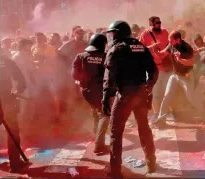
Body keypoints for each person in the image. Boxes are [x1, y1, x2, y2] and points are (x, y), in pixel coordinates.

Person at [102, 21, 158, 178]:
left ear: (118, 33)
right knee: (144, 127)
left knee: (115, 132)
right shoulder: (140, 46)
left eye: (113, 33)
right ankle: (151, 163)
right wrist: (148, 87)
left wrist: (106, 98)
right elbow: (153, 71)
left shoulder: (116, 49)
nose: (111, 36)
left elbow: (109, 77)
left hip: (124, 96)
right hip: (141, 94)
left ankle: (115, 171)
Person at [151, 30, 205, 128]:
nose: (168, 41)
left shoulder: (186, 47)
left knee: (191, 97)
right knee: (167, 95)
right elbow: (162, 54)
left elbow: (191, 62)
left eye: (170, 39)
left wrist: (180, 60)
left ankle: (202, 112)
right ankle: (161, 118)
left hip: (186, 76)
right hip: (175, 75)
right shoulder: (171, 45)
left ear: (178, 39)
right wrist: (155, 51)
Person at [72, 34, 109, 154]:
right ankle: (99, 146)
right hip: (100, 90)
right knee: (105, 115)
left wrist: (83, 82)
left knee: (96, 112)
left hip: (86, 91)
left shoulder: (81, 56)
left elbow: (74, 75)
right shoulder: (105, 56)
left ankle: (95, 135)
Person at [0, 51, 28, 172]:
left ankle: (15, 163)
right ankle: (15, 163)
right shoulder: (6, 60)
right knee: (13, 131)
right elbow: (22, 81)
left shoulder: (7, 61)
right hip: (6, 101)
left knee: (13, 131)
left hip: (6, 101)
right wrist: (17, 90)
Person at [139, 16, 172, 122]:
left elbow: (170, 45)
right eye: (157, 22)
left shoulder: (165, 32)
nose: (159, 24)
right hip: (153, 69)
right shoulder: (145, 34)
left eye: (159, 22)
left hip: (166, 67)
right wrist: (151, 47)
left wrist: (165, 53)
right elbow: (140, 49)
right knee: (155, 93)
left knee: (167, 92)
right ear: (151, 24)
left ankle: (167, 112)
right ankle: (156, 113)